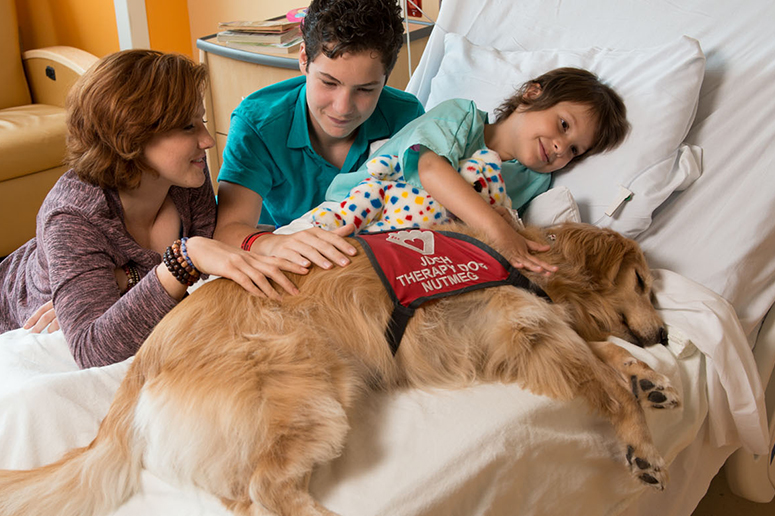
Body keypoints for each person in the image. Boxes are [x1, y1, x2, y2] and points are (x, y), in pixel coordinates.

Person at [0, 50, 307, 368]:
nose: (207, 141)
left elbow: (206, 268)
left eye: (201, 121)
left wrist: (126, 278)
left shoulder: (186, 178)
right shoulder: (73, 218)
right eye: (188, 127)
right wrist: (183, 259)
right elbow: (93, 351)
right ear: (130, 136)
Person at [323, 67, 631, 273]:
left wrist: (508, 223)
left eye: (575, 150)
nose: (561, 148)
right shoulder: (462, 117)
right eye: (563, 125)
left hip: (403, 246)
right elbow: (430, 169)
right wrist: (498, 230)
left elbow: (507, 216)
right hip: (348, 214)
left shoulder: (535, 179)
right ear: (532, 94)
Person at [214, 0, 425, 271]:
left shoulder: (405, 116)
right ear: (304, 59)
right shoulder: (257, 124)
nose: (343, 108)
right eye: (329, 82)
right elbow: (227, 231)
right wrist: (274, 243)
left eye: (365, 90)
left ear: (386, 77)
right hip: (277, 254)